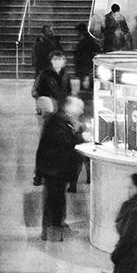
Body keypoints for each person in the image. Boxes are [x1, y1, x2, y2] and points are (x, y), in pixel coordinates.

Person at [34, 94, 84, 240]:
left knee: (57, 200)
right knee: (54, 201)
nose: (81, 111)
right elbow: (64, 143)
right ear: (70, 107)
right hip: (54, 169)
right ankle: (51, 233)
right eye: (79, 107)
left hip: (56, 169)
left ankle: (56, 228)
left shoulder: (64, 120)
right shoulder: (58, 121)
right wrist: (79, 136)